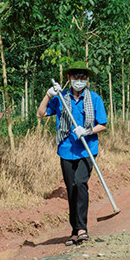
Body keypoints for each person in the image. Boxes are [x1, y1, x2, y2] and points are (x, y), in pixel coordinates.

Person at [37, 60, 108, 246]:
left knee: (80, 183)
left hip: (87, 150)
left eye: (83, 77)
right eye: (76, 76)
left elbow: (103, 125)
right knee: (71, 189)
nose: (79, 80)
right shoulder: (61, 99)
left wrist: (87, 131)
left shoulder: (95, 99)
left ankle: (82, 228)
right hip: (66, 150)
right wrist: (48, 95)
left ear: (87, 80)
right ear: (69, 78)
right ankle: (75, 230)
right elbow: (41, 113)